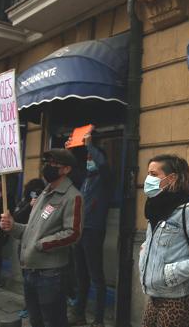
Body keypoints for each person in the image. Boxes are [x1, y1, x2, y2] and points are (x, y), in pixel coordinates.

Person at [0, 149, 83, 327]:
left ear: (66, 169)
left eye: (53, 164)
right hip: (31, 271)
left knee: (52, 321)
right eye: (46, 163)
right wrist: (12, 227)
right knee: (36, 320)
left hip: (50, 274)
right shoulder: (44, 193)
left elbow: (73, 233)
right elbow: (31, 230)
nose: (47, 167)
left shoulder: (72, 196)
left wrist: (41, 245)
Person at [139, 154, 189, 327]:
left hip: (178, 298)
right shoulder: (155, 207)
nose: (148, 179)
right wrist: (146, 250)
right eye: (148, 174)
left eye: (153, 174)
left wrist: (170, 273)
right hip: (154, 295)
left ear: (172, 178)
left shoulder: (188, 209)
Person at [68, 132, 112, 327]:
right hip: (80, 231)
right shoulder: (86, 178)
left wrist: (90, 146)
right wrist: (68, 149)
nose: (89, 161)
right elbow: (70, 169)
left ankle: (99, 320)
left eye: (90, 158)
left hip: (93, 230)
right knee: (81, 276)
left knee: (96, 277)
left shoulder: (104, 178)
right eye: (87, 159)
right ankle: (79, 314)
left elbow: (102, 163)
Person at [14, 178, 46, 318]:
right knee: (27, 279)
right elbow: (16, 218)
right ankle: (29, 306)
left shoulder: (47, 202)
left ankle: (40, 306)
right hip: (24, 246)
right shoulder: (24, 203)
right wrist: (29, 206)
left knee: (39, 280)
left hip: (39, 246)